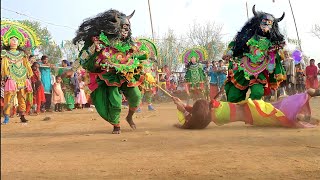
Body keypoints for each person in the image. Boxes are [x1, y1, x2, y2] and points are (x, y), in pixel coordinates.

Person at [73, 9, 149, 134]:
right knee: (115, 100)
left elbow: (134, 56)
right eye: (123, 27)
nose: (126, 31)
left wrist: (140, 59)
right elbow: (84, 57)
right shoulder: (100, 41)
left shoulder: (129, 43)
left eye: (128, 28)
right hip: (108, 75)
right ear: (115, 27)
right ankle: (116, 125)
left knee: (136, 96)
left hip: (126, 74)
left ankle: (129, 117)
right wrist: (73, 69)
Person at [172, 88, 320, 129]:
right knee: (279, 111)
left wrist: (183, 107)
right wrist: (183, 108)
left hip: (253, 112)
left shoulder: (210, 113)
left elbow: (197, 114)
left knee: (279, 112)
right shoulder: (209, 113)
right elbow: (198, 114)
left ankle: (306, 108)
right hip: (254, 111)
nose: (206, 102)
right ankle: (307, 108)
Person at [225, 5, 286, 103]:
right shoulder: (248, 36)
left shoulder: (273, 43)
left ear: (272, 26)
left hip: (260, 70)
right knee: (234, 96)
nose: (266, 25)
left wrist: (272, 62)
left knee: (257, 93)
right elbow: (236, 45)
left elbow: (274, 55)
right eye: (264, 22)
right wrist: (229, 53)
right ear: (258, 23)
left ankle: (251, 111)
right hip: (243, 67)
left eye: (269, 23)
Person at [1, 22, 38, 124]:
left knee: (22, 97)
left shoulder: (22, 54)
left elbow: (26, 65)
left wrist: (28, 76)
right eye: (12, 39)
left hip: (22, 77)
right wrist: (5, 76)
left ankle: (22, 115)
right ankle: (7, 117)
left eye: (16, 39)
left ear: (19, 41)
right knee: (9, 98)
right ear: (8, 41)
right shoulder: (5, 53)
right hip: (11, 77)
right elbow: (4, 66)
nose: (14, 41)